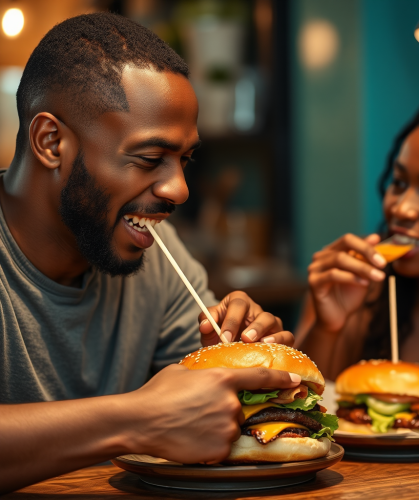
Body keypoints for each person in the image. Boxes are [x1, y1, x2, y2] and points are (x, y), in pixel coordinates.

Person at [0, 13, 297, 493]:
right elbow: (154, 419)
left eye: (184, 160)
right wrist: (137, 419)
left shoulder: (156, 253)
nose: (178, 190)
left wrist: (235, 368)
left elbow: (195, 421)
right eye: (149, 160)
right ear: (51, 142)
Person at [296, 83, 419, 384]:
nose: (401, 208)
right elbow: (298, 411)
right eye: (399, 183)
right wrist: (328, 328)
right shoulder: (356, 293)